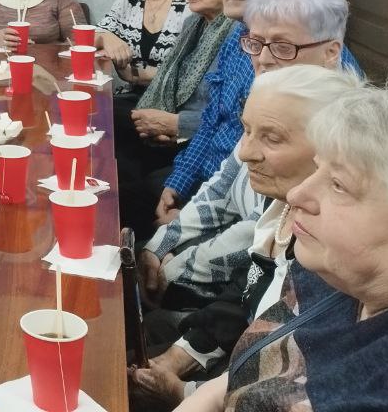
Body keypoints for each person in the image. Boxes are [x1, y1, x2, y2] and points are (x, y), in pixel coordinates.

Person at [173, 84, 388, 412]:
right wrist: (205, 398)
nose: (297, 195)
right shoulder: (338, 275)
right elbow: (248, 371)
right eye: (318, 169)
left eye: (339, 185)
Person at [132, 64, 363, 408]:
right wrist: (177, 358)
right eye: (246, 130)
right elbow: (246, 291)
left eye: (272, 138)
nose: (244, 153)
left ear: (330, 152)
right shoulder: (277, 206)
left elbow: (284, 373)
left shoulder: (330, 252)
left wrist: (184, 392)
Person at [157, 0, 312, 223]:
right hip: (210, 184)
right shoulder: (238, 36)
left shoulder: (309, 53)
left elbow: (277, 196)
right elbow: (211, 121)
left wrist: (188, 222)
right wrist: (178, 183)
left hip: (249, 208)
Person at [116, 0, 231, 238]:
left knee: (125, 187)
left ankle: (137, 238)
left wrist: (176, 124)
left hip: (194, 140)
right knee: (106, 123)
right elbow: (170, 79)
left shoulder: (237, 36)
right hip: (172, 127)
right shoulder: (195, 23)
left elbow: (231, 118)